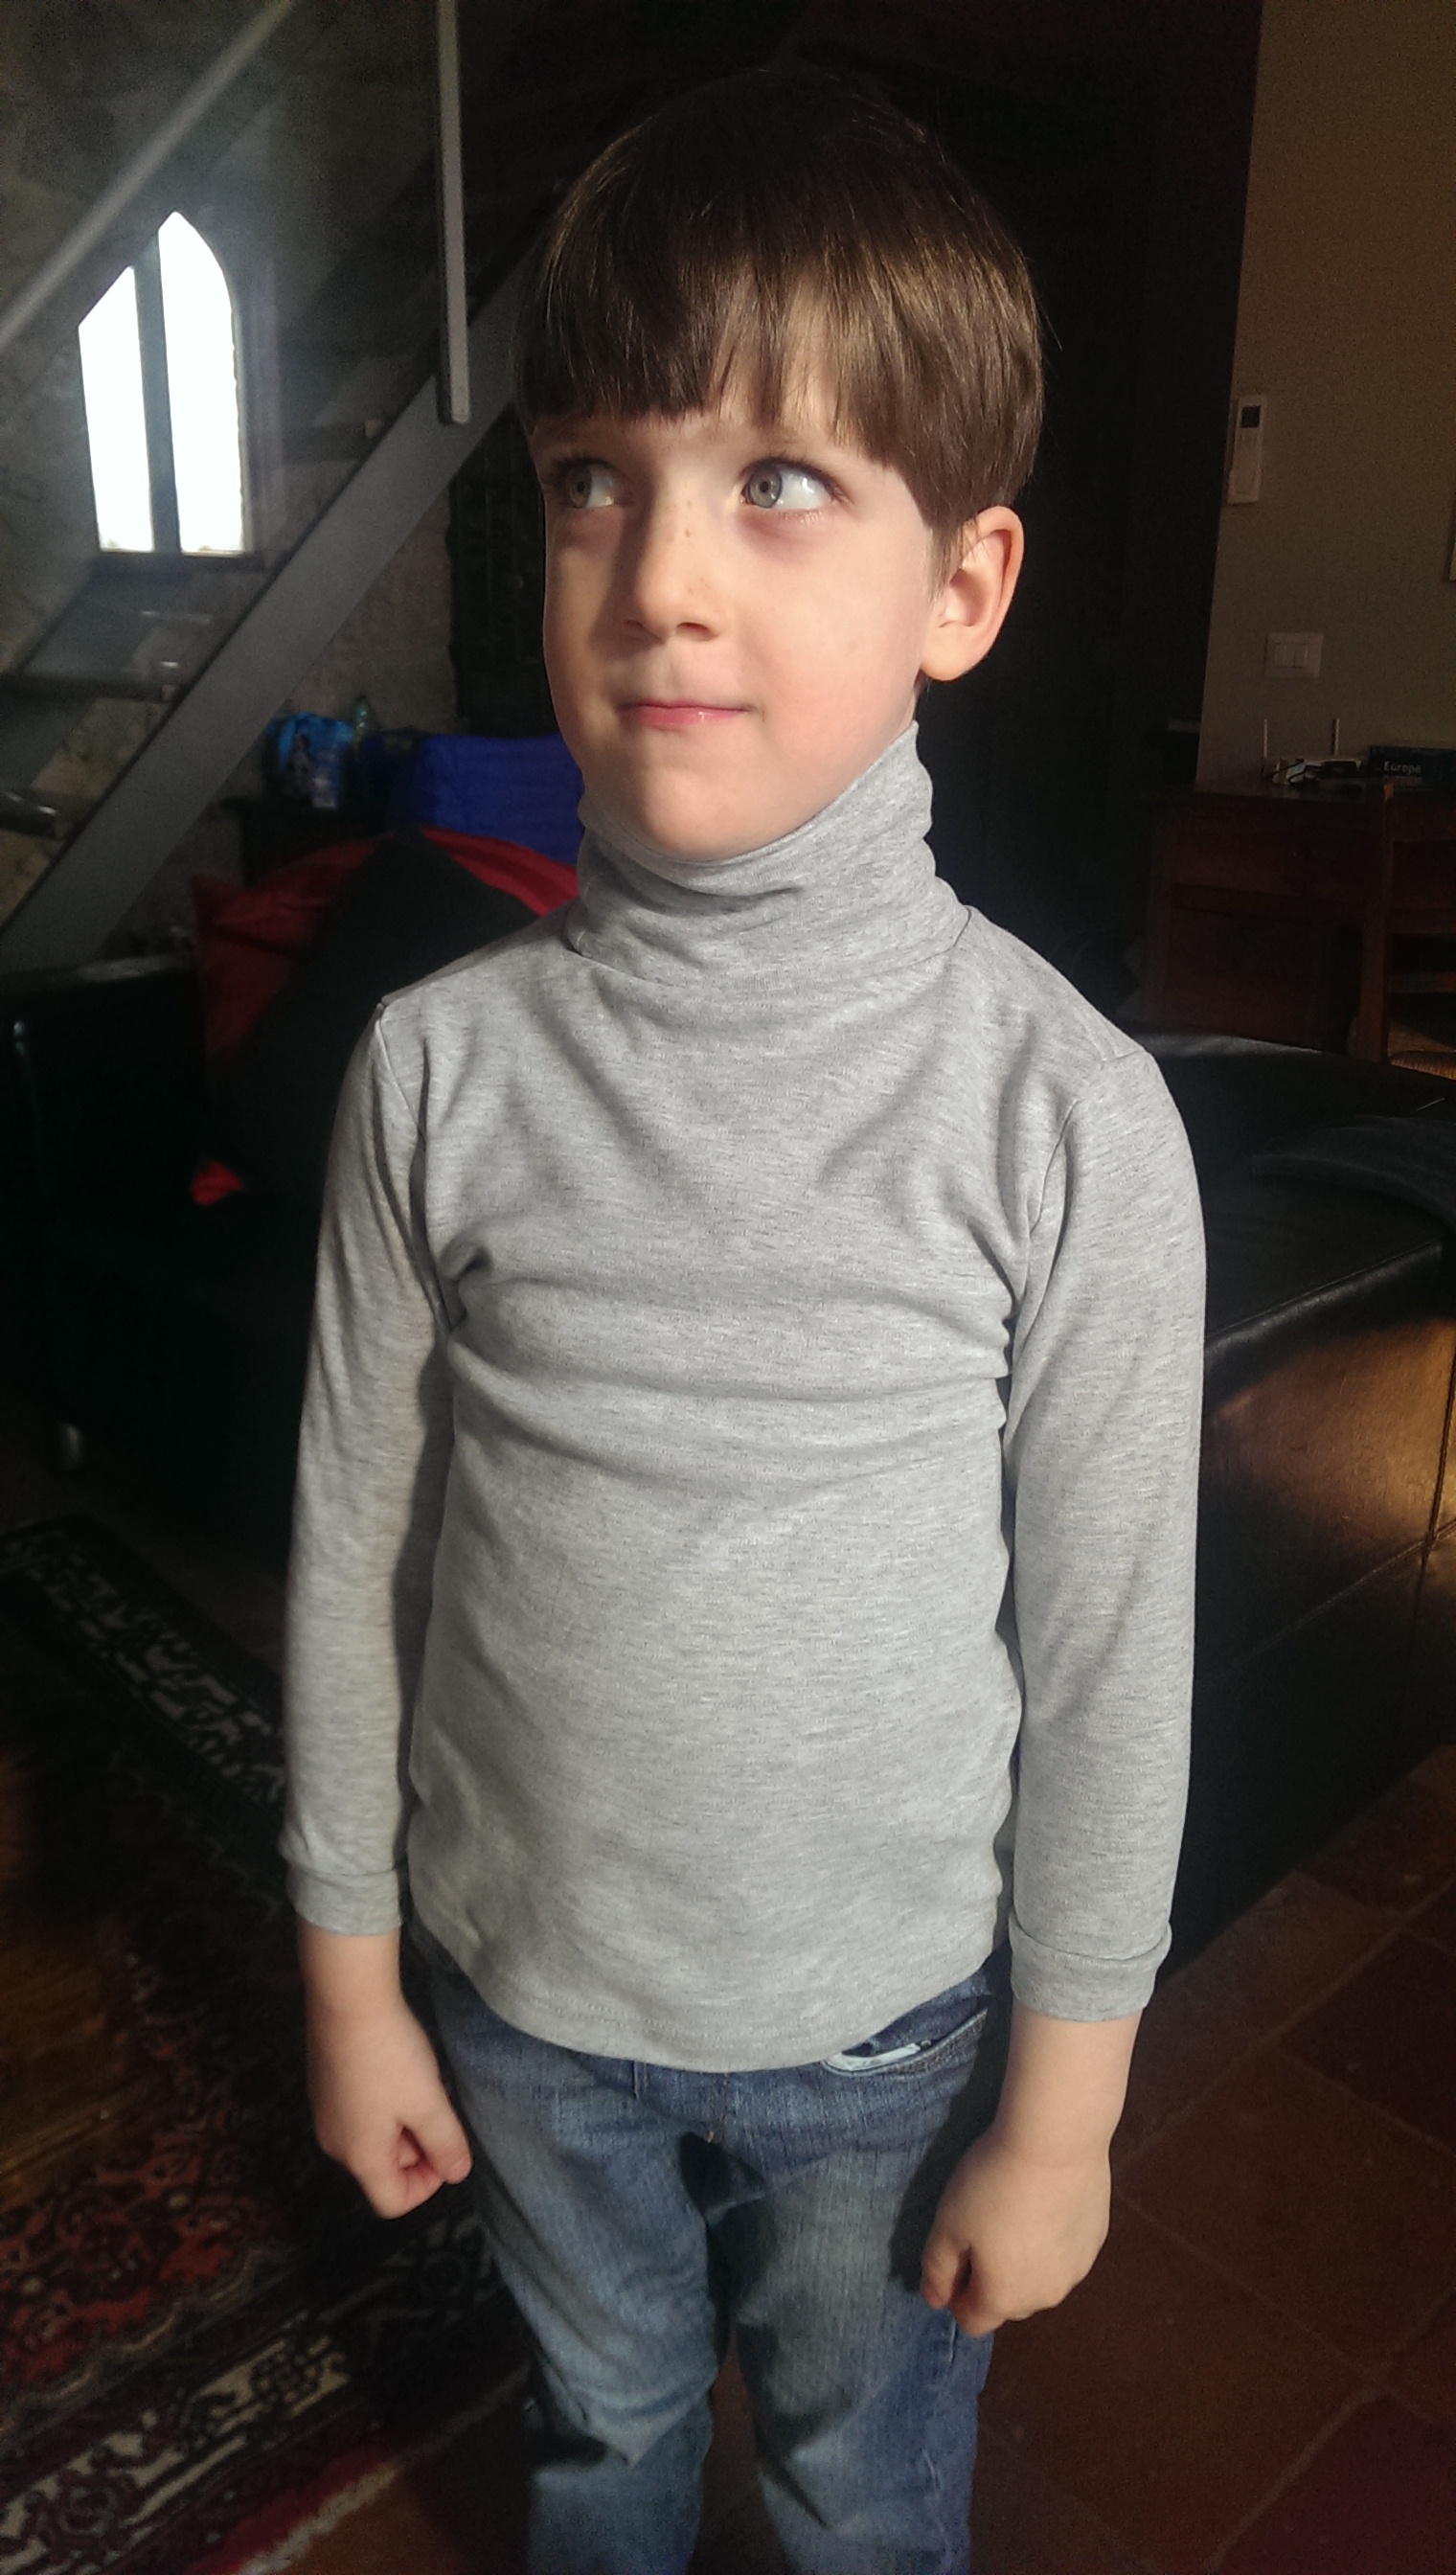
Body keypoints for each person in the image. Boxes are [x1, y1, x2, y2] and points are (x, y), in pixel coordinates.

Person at [284, 64, 1204, 2575]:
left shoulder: (1064, 1118)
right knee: (600, 2443)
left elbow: (1114, 1664)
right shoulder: (437, 1074)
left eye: (778, 479)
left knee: (854, 2493)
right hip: (523, 2008)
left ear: (962, 590)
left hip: (883, 2049)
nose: (660, 576)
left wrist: (1065, 2113)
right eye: (598, 476)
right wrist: (354, 1982)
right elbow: (356, 1560)